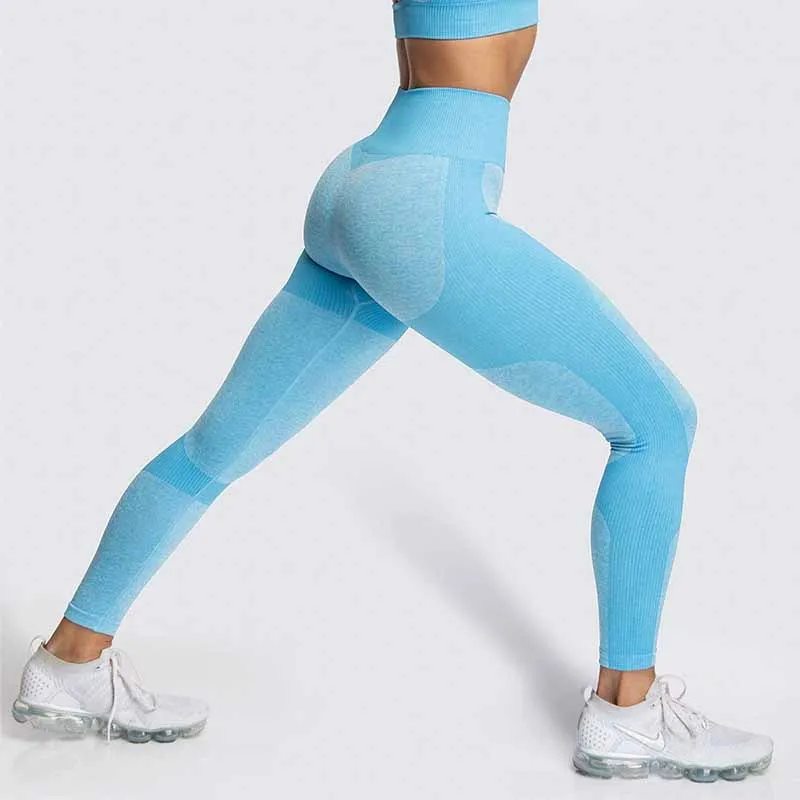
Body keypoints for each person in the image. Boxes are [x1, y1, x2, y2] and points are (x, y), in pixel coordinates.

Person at [12, 0, 773, 781]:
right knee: (657, 424)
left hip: (368, 182)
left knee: (215, 449)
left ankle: (71, 661)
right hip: (423, 205)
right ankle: (629, 712)